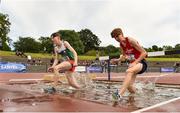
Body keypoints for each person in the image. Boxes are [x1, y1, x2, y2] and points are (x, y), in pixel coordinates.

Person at [110, 28, 148, 101]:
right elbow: (124, 57)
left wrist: (135, 62)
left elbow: (144, 53)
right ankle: (138, 95)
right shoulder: (121, 45)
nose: (116, 39)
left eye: (117, 36)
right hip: (133, 65)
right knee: (129, 86)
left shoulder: (130, 40)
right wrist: (117, 60)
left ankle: (119, 95)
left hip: (141, 63)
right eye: (114, 38)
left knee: (128, 71)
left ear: (121, 34)